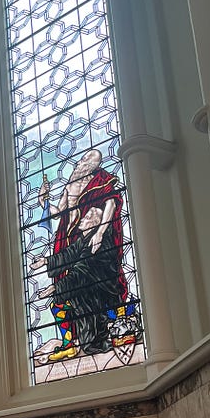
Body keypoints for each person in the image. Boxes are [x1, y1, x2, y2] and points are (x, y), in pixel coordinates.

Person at [31, 149, 128, 360]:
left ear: (95, 165)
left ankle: (109, 328)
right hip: (68, 236)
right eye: (83, 159)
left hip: (90, 236)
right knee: (67, 286)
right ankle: (70, 341)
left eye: (88, 160)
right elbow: (60, 212)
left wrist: (100, 233)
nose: (82, 162)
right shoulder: (70, 185)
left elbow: (110, 204)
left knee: (86, 281)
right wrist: (43, 201)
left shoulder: (101, 181)